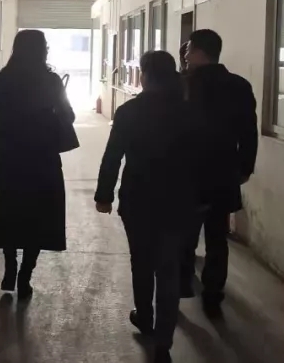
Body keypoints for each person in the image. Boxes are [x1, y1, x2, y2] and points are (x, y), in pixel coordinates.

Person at [95, 51, 206, 363]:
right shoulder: (190, 111)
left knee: (141, 261)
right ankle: (163, 342)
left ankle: (145, 316)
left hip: (138, 199)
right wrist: (204, 196)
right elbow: (204, 159)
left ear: (144, 75)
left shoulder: (130, 111)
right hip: (179, 201)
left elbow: (113, 155)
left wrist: (104, 195)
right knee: (168, 268)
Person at [0, 29, 74, 300]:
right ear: (41, 50)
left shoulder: (2, 79)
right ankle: (25, 276)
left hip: (10, 157)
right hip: (43, 158)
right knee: (38, 217)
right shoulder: (51, 81)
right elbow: (69, 115)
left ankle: (10, 268)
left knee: (10, 212)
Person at [179, 29, 258, 318]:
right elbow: (248, 132)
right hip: (223, 171)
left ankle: (181, 283)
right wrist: (245, 167)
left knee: (184, 231)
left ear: (200, 52)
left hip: (186, 171)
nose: (186, 56)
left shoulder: (183, 85)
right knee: (217, 235)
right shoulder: (239, 85)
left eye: (189, 49)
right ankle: (213, 294)